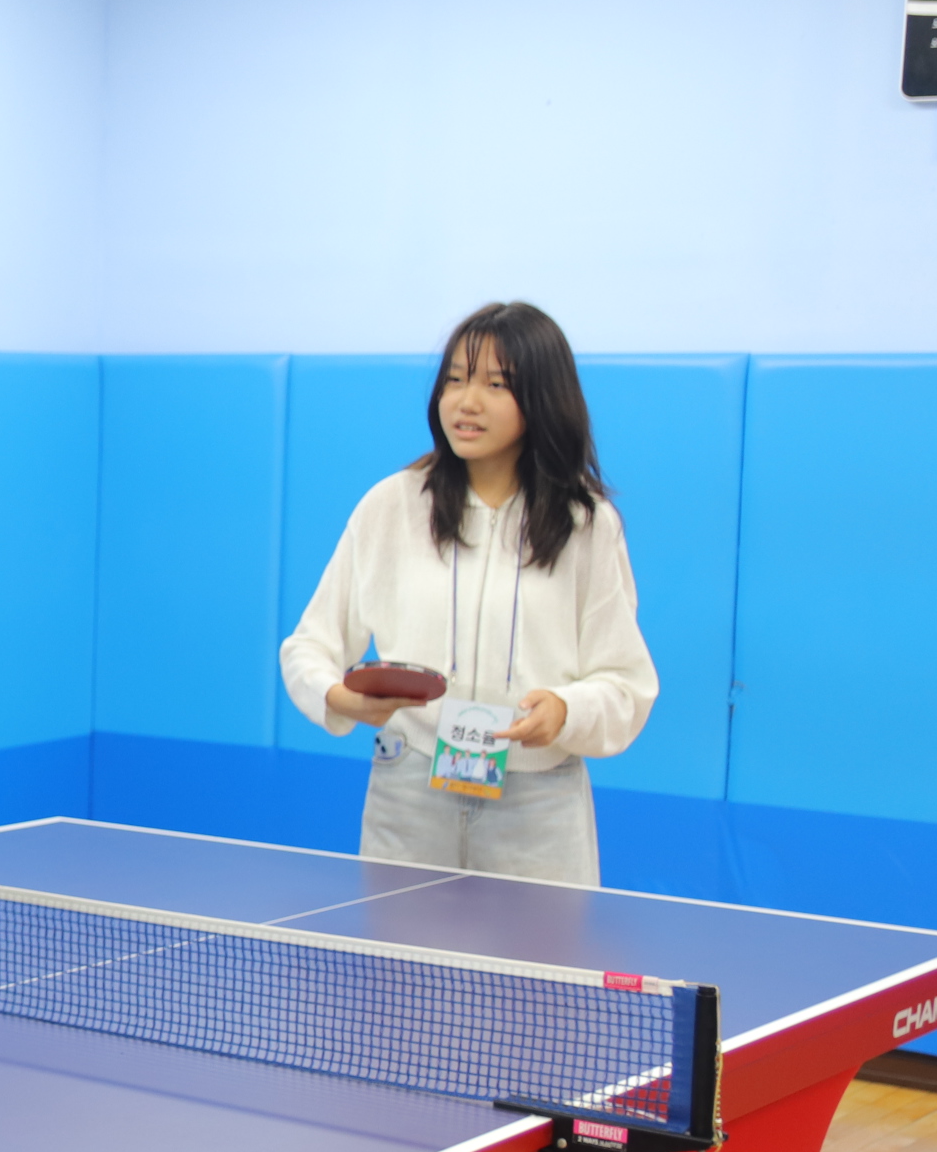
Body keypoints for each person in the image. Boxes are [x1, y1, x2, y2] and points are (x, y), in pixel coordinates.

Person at [278, 301, 655, 886]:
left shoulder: (587, 526)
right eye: (454, 380)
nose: (466, 401)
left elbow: (626, 683)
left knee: (540, 954)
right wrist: (337, 697)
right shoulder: (392, 506)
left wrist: (566, 711)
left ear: (542, 398)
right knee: (396, 950)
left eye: (495, 385)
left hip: (538, 805)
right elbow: (308, 646)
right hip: (408, 792)